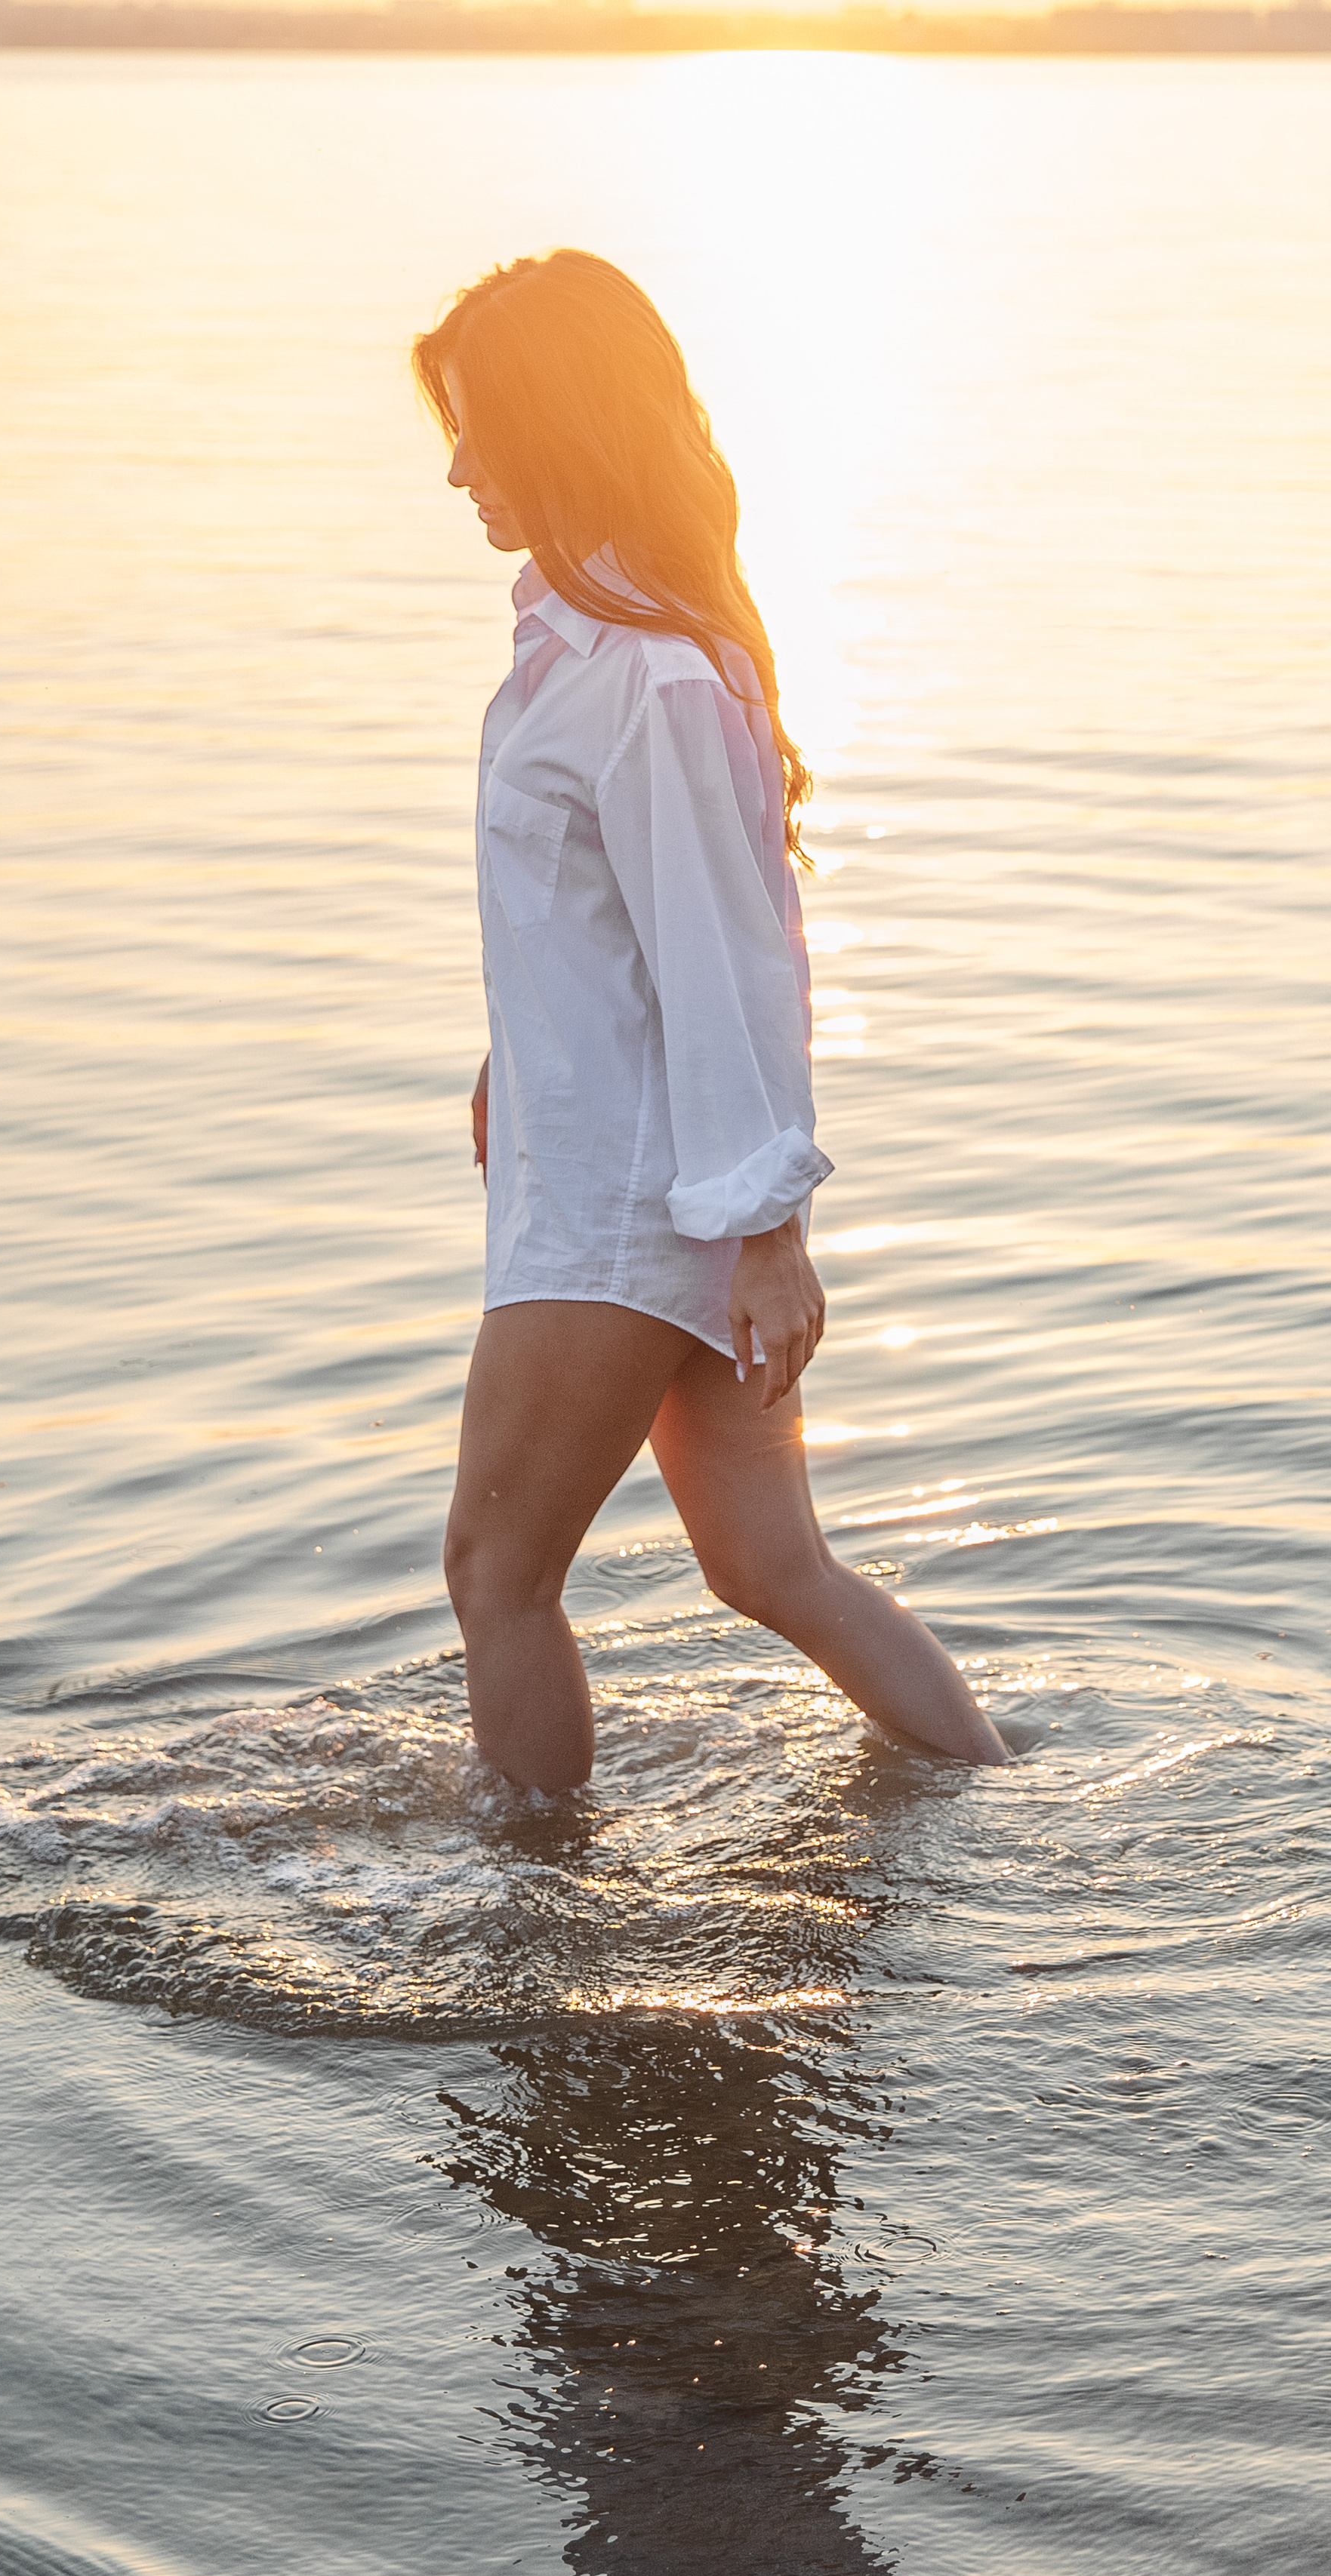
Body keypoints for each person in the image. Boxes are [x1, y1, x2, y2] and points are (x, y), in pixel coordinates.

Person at [414, 251, 1009, 1790]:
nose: (456, 465)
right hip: (633, 1173)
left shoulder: (653, 679)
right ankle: (997, 1788)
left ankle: (529, 1925)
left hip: (629, 1206)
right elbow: (614, 921)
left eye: (477, 426)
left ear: (557, 428)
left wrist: (766, 1232)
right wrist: (519, 1050)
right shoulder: (578, 652)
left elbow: (733, 954)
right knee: (766, 1569)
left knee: (494, 1572)